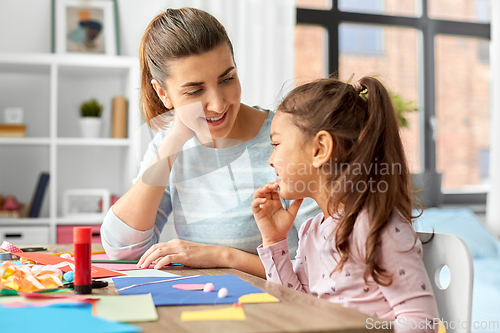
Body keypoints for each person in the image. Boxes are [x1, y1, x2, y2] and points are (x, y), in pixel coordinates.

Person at [100, 7, 319, 278]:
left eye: (227, 79)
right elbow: (121, 249)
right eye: (194, 91)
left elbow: (320, 269)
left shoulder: (289, 139)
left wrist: (221, 257)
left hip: (286, 313)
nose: (217, 103)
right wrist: (175, 139)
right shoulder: (172, 145)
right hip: (206, 308)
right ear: (163, 94)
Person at [252, 76, 440, 332]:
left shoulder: (375, 227)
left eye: (276, 144)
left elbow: (422, 322)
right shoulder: (311, 230)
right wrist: (274, 240)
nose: (271, 160)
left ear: (320, 149)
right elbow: (294, 305)